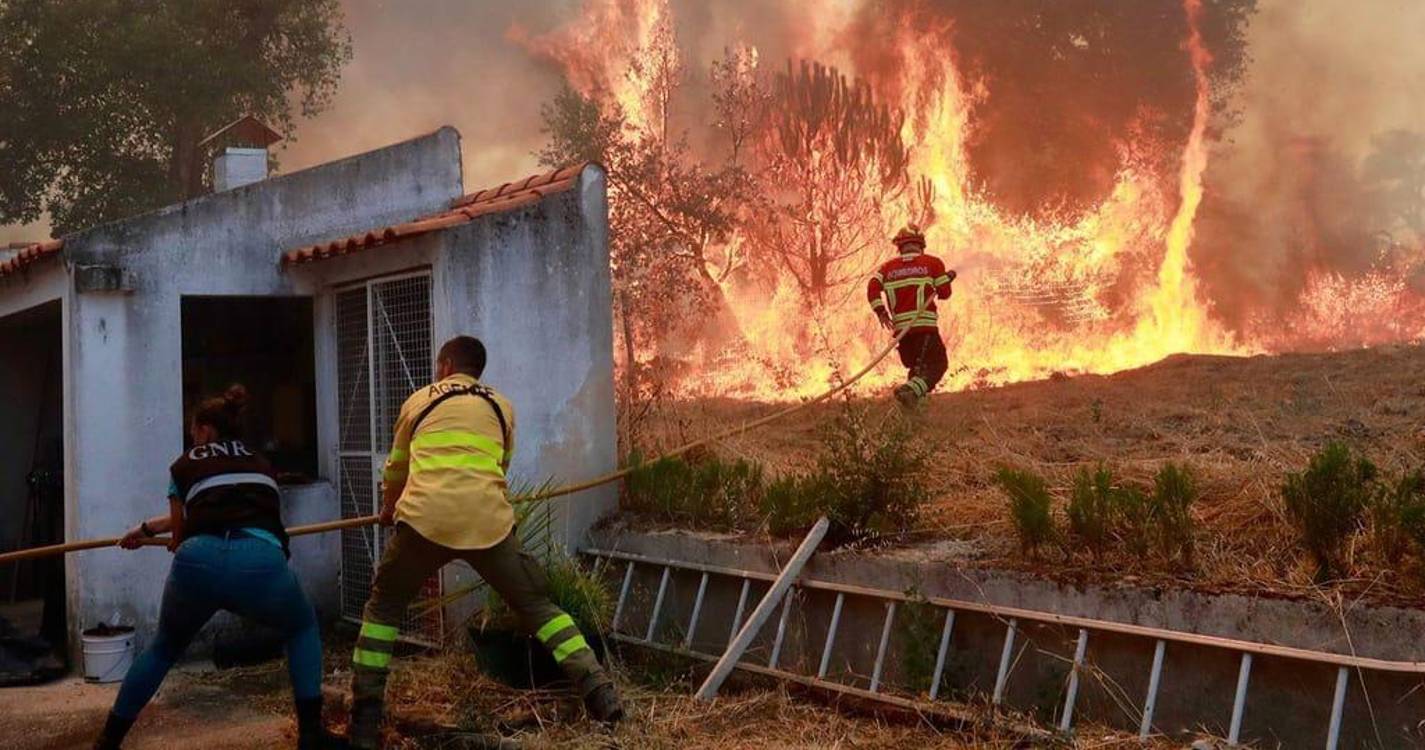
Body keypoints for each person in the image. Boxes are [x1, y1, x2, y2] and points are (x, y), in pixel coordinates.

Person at [347, 336, 623, 749]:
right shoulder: (501, 405)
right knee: (540, 608)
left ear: (444, 365)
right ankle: (602, 695)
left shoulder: (420, 400)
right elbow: (500, 466)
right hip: (488, 525)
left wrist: (388, 509)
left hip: (424, 521)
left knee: (383, 609)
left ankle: (365, 723)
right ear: (478, 371)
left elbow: (397, 468)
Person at [92, 389, 332, 749]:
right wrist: (145, 531)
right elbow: (232, 505)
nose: (192, 439)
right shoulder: (261, 461)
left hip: (198, 562)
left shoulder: (185, 463)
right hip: (259, 563)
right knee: (301, 626)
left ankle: (108, 741)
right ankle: (311, 735)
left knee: (163, 649)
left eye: (193, 431)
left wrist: (149, 533)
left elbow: (181, 529)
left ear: (204, 430)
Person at [866, 224, 956, 407]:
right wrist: (945, 278)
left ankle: (911, 406)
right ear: (921, 244)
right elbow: (945, 293)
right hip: (925, 329)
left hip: (903, 333)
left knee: (917, 369)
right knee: (937, 364)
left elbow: (872, 287)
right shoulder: (933, 263)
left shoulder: (886, 268)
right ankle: (911, 392)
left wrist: (880, 311)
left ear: (899, 246)